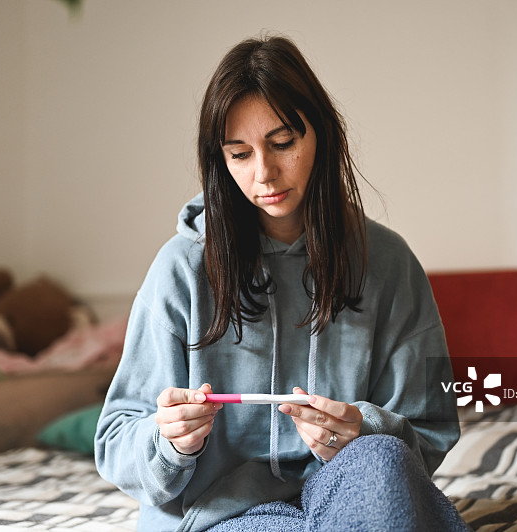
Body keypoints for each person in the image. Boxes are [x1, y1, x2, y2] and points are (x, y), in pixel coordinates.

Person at [95, 35, 469, 532]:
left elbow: (432, 425)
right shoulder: (180, 269)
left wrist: (364, 432)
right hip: (224, 512)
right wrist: (170, 444)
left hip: (351, 490)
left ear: (321, 135)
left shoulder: (387, 263)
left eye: (283, 143)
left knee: (381, 460)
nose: (264, 174)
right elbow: (115, 439)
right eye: (239, 154)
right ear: (220, 162)